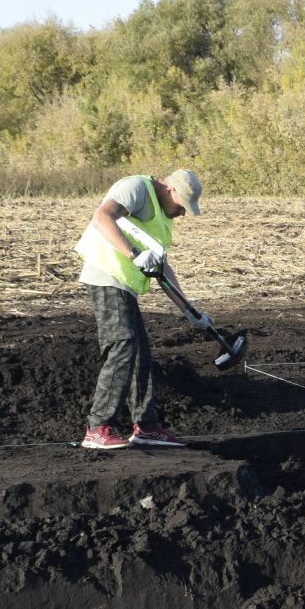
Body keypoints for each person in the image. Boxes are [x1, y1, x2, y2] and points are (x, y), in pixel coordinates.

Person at [73, 168, 203, 450]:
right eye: (182, 207)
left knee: (140, 351)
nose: (182, 214)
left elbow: (161, 267)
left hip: (125, 285)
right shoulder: (136, 188)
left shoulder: (164, 218)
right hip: (106, 276)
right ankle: (97, 429)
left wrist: (188, 309)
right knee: (123, 344)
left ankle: (147, 427)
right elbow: (102, 217)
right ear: (171, 190)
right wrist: (134, 254)